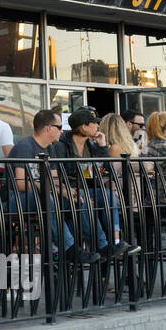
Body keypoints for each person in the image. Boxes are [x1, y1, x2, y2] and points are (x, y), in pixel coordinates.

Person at [6, 110, 103, 264]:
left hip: (41, 197)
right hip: (16, 200)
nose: (62, 130)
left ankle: (101, 245)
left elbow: (54, 180)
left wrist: (65, 190)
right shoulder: (25, 146)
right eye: (59, 127)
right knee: (46, 196)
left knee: (79, 197)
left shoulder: (50, 148)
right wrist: (50, 188)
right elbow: (20, 183)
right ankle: (69, 248)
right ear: (48, 128)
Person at [58, 108, 139, 257]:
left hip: (87, 189)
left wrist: (102, 146)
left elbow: (107, 169)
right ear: (84, 127)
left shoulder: (92, 145)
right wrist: (87, 172)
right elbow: (62, 174)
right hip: (67, 192)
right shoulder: (62, 145)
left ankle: (114, 242)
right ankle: (102, 245)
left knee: (108, 195)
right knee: (85, 200)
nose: (98, 126)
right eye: (94, 123)